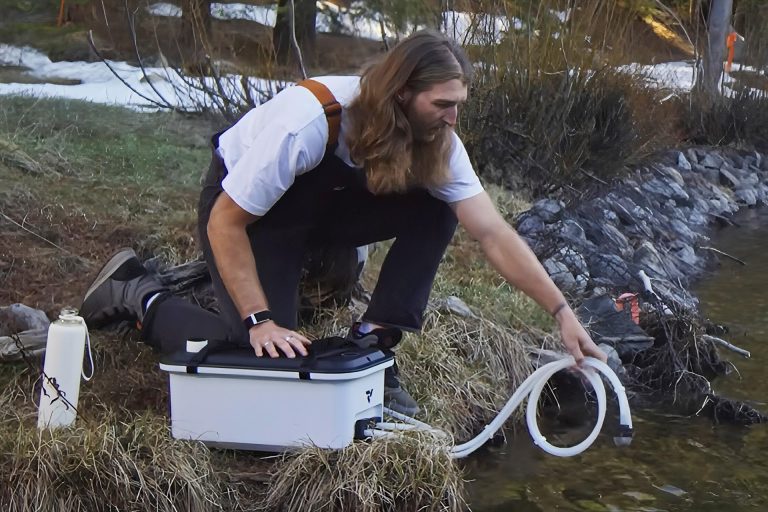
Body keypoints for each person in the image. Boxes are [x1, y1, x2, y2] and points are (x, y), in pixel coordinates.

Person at [80, 30, 606, 416]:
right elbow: (226, 224)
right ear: (402, 94)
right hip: (250, 213)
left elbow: (491, 232)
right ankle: (137, 294)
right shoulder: (310, 119)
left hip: (324, 211)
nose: (453, 118)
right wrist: (260, 320)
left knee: (438, 204)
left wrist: (560, 311)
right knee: (253, 353)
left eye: (459, 104)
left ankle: (373, 342)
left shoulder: (439, 141)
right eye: (443, 104)